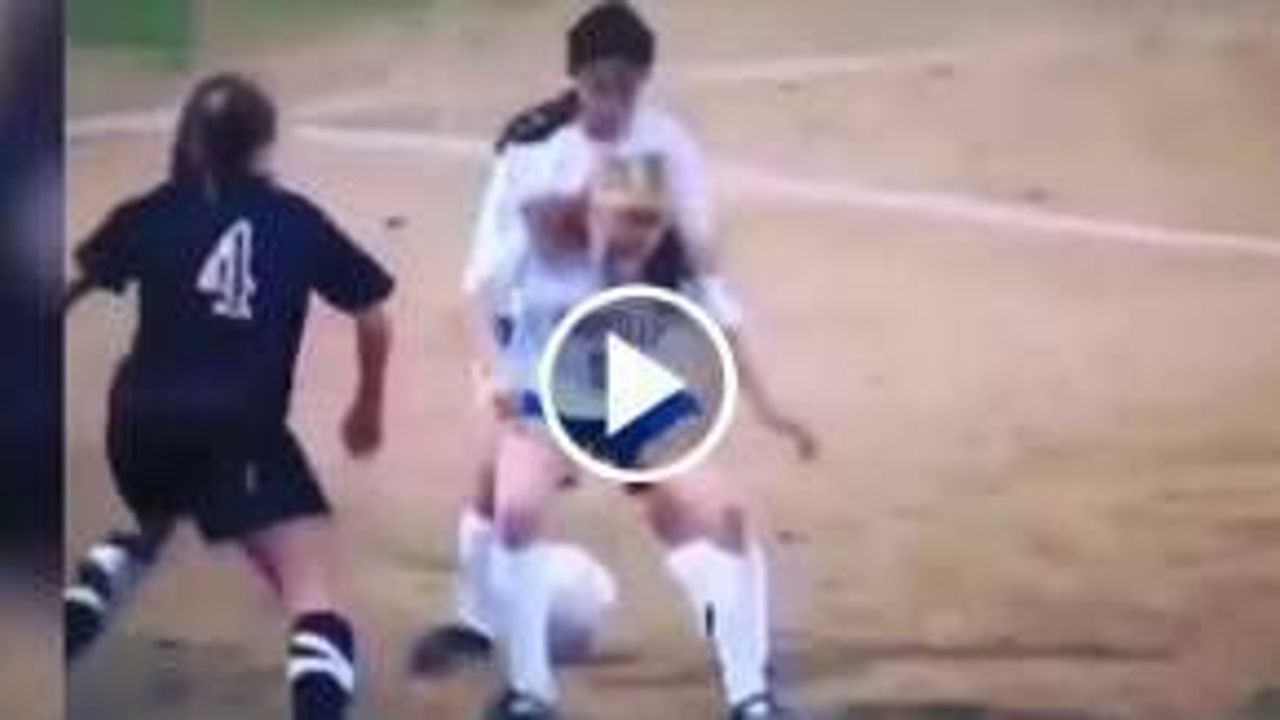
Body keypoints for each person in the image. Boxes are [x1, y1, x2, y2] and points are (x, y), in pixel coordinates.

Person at [412, 0, 744, 676]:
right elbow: (488, 267)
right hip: (539, 333)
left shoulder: (667, 145)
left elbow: (700, 252)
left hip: (628, 333)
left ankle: (731, 636)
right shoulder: (533, 145)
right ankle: (477, 624)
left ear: (644, 80)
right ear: (576, 79)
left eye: (627, 82)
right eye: (600, 82)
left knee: (657, 487)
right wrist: (495, 365)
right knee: (499, 477)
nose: (614, 97)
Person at [62, 73, 395, 720]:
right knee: (312, 592)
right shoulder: (295, 219)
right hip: (238, 430)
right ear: (264, 145)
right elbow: (373, 317)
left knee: (155, 518)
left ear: (191, 141)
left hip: (138, 424)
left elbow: (73, 289)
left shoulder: (153, 209)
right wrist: (366, 408)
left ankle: (89, 597)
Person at [482, 150, 815, 720]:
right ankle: (529, 693)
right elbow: (483, 312)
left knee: (723, 515)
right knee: (515, 509)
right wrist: (494, 379)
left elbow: (727, 331)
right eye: (626, 216)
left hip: (630, 397)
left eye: (651, 219)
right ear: (592, 208)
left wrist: (771, 412)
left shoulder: (675, 264)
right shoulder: (543, 250)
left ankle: (751, 695)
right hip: (546, 394)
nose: (640, 232)